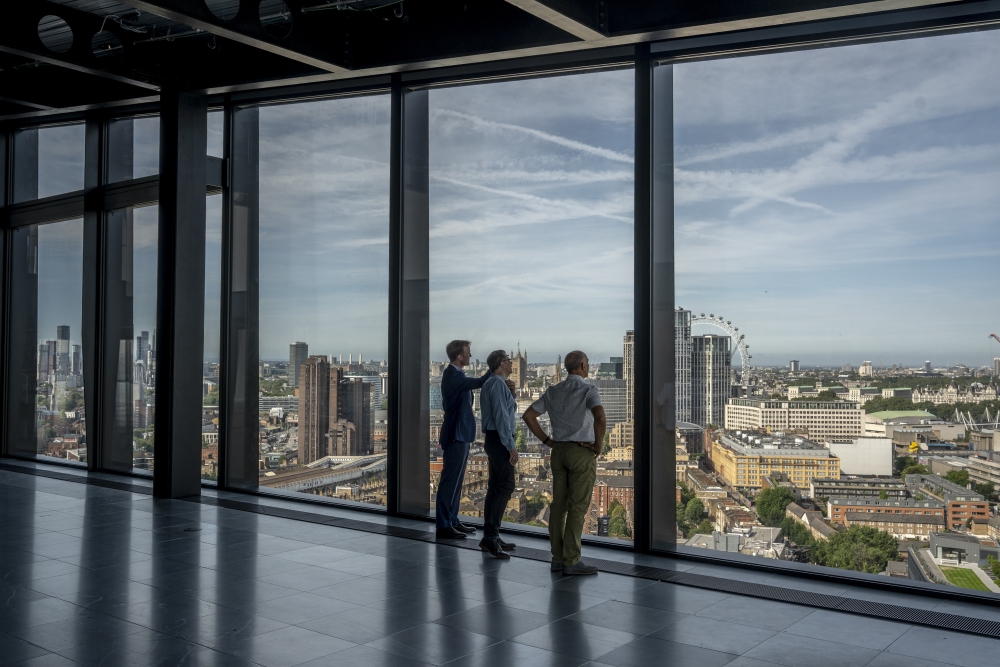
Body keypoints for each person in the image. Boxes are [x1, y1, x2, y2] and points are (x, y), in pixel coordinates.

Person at [522, 350, 606, 575]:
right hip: (581, 451)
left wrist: (547, 440)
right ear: (581, 366)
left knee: (558, 506)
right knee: (578, 507)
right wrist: (598, 446)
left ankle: (557, 558)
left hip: (558, 452)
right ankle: (572, 560)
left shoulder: (553, 390)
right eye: (587, 363)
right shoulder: (588, 389)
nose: (588, 366)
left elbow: (528, 415)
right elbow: (600, 417)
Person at [437, 339, 491, 540]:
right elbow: (479, 382)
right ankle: (444, 525)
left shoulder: (457, 374)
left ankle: (452, 520)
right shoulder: (452, 374)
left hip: (462, 433)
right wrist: (493, 369)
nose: (470, 355)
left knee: (457, 480)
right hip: (455, 433)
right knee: (450, 480)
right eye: (468, 353)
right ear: (459, 356)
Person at [479, 350, 520, 559]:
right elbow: (502, 417)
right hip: (499, 439)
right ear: (502, 363)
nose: (512, 364)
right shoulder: (495, 384)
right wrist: (510, 445)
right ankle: (491, 536)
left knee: (495, 487)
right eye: (510, 361)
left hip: (495, 439)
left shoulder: (497, 384)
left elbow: (505, 409)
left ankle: (491, 535)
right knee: (505, 486)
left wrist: (511, 395)